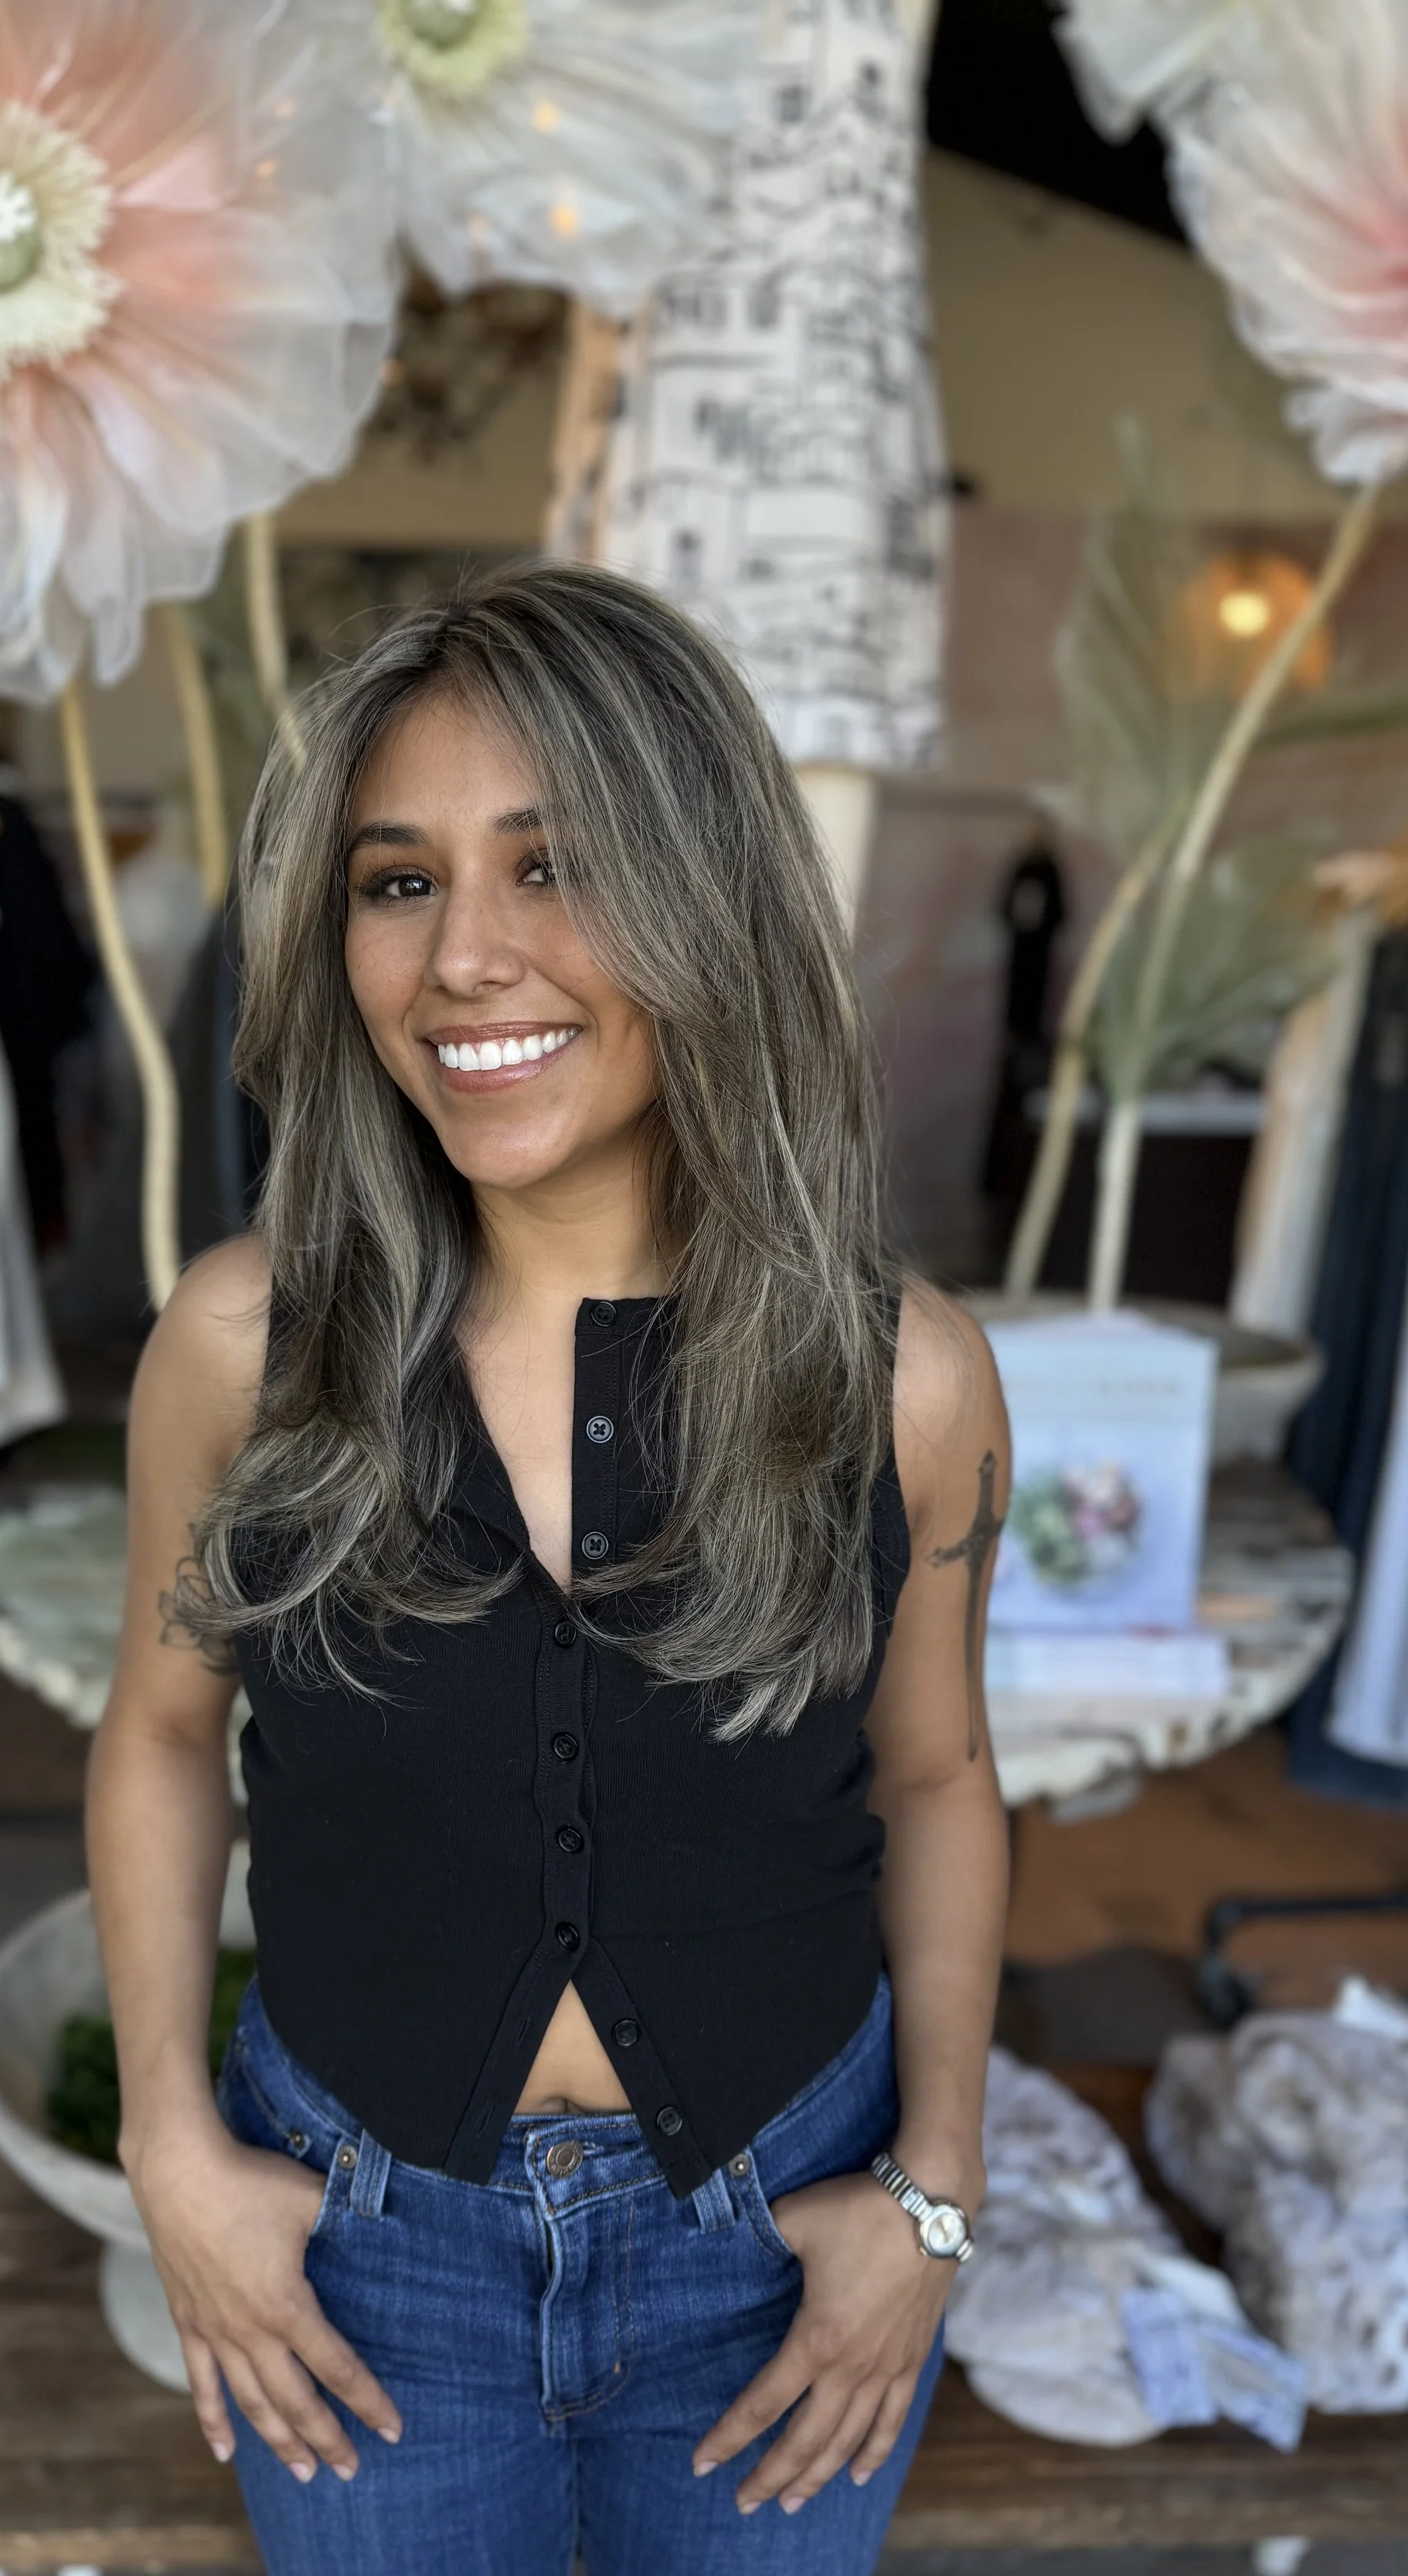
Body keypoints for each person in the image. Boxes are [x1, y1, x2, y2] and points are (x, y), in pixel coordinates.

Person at [87, 561, 1011, 2576]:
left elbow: (935, 1775)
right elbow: (160, 1735)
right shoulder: (247, 1349)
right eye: (396, 879)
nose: (461, 960)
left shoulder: (903, 1376)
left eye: (553, 863)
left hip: (779, 2248)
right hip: (362, 2255)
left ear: (711, 902)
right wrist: (170, 2136)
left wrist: (934, 2185)